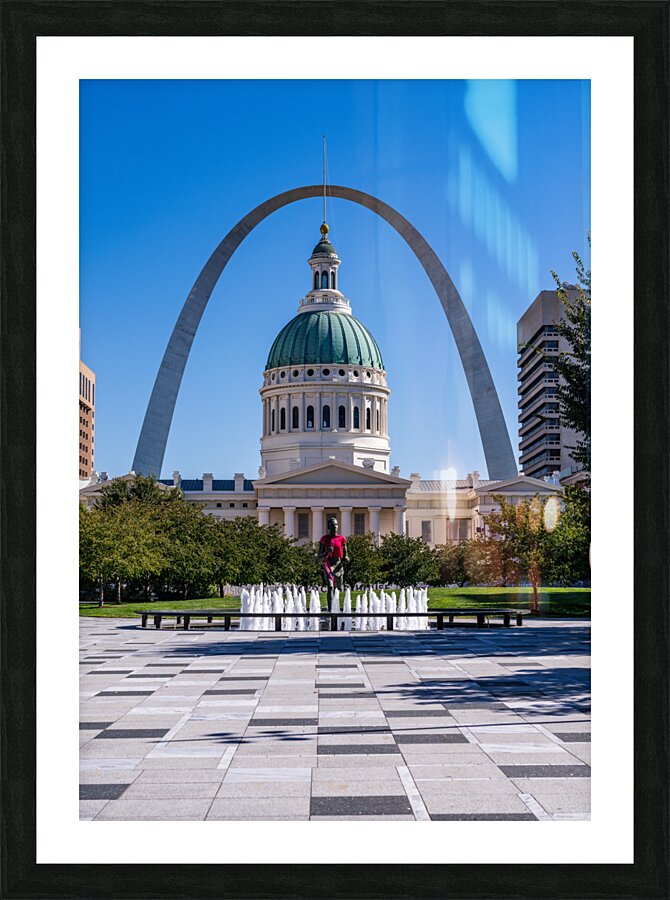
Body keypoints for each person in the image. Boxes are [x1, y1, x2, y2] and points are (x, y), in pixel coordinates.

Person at [318, 516, 350, 612]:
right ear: (329, 527)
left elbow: (345, 554)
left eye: (336, 525)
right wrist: (327, 552)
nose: (335, 527)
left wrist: (346, 558)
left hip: (338, 565)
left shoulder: (342, 539)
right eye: (332, 525)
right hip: (328, 564)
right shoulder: (324, 539)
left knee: (339, 588)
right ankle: (330, 610)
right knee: (330, 586)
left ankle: (339, 608)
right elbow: (319, 556)